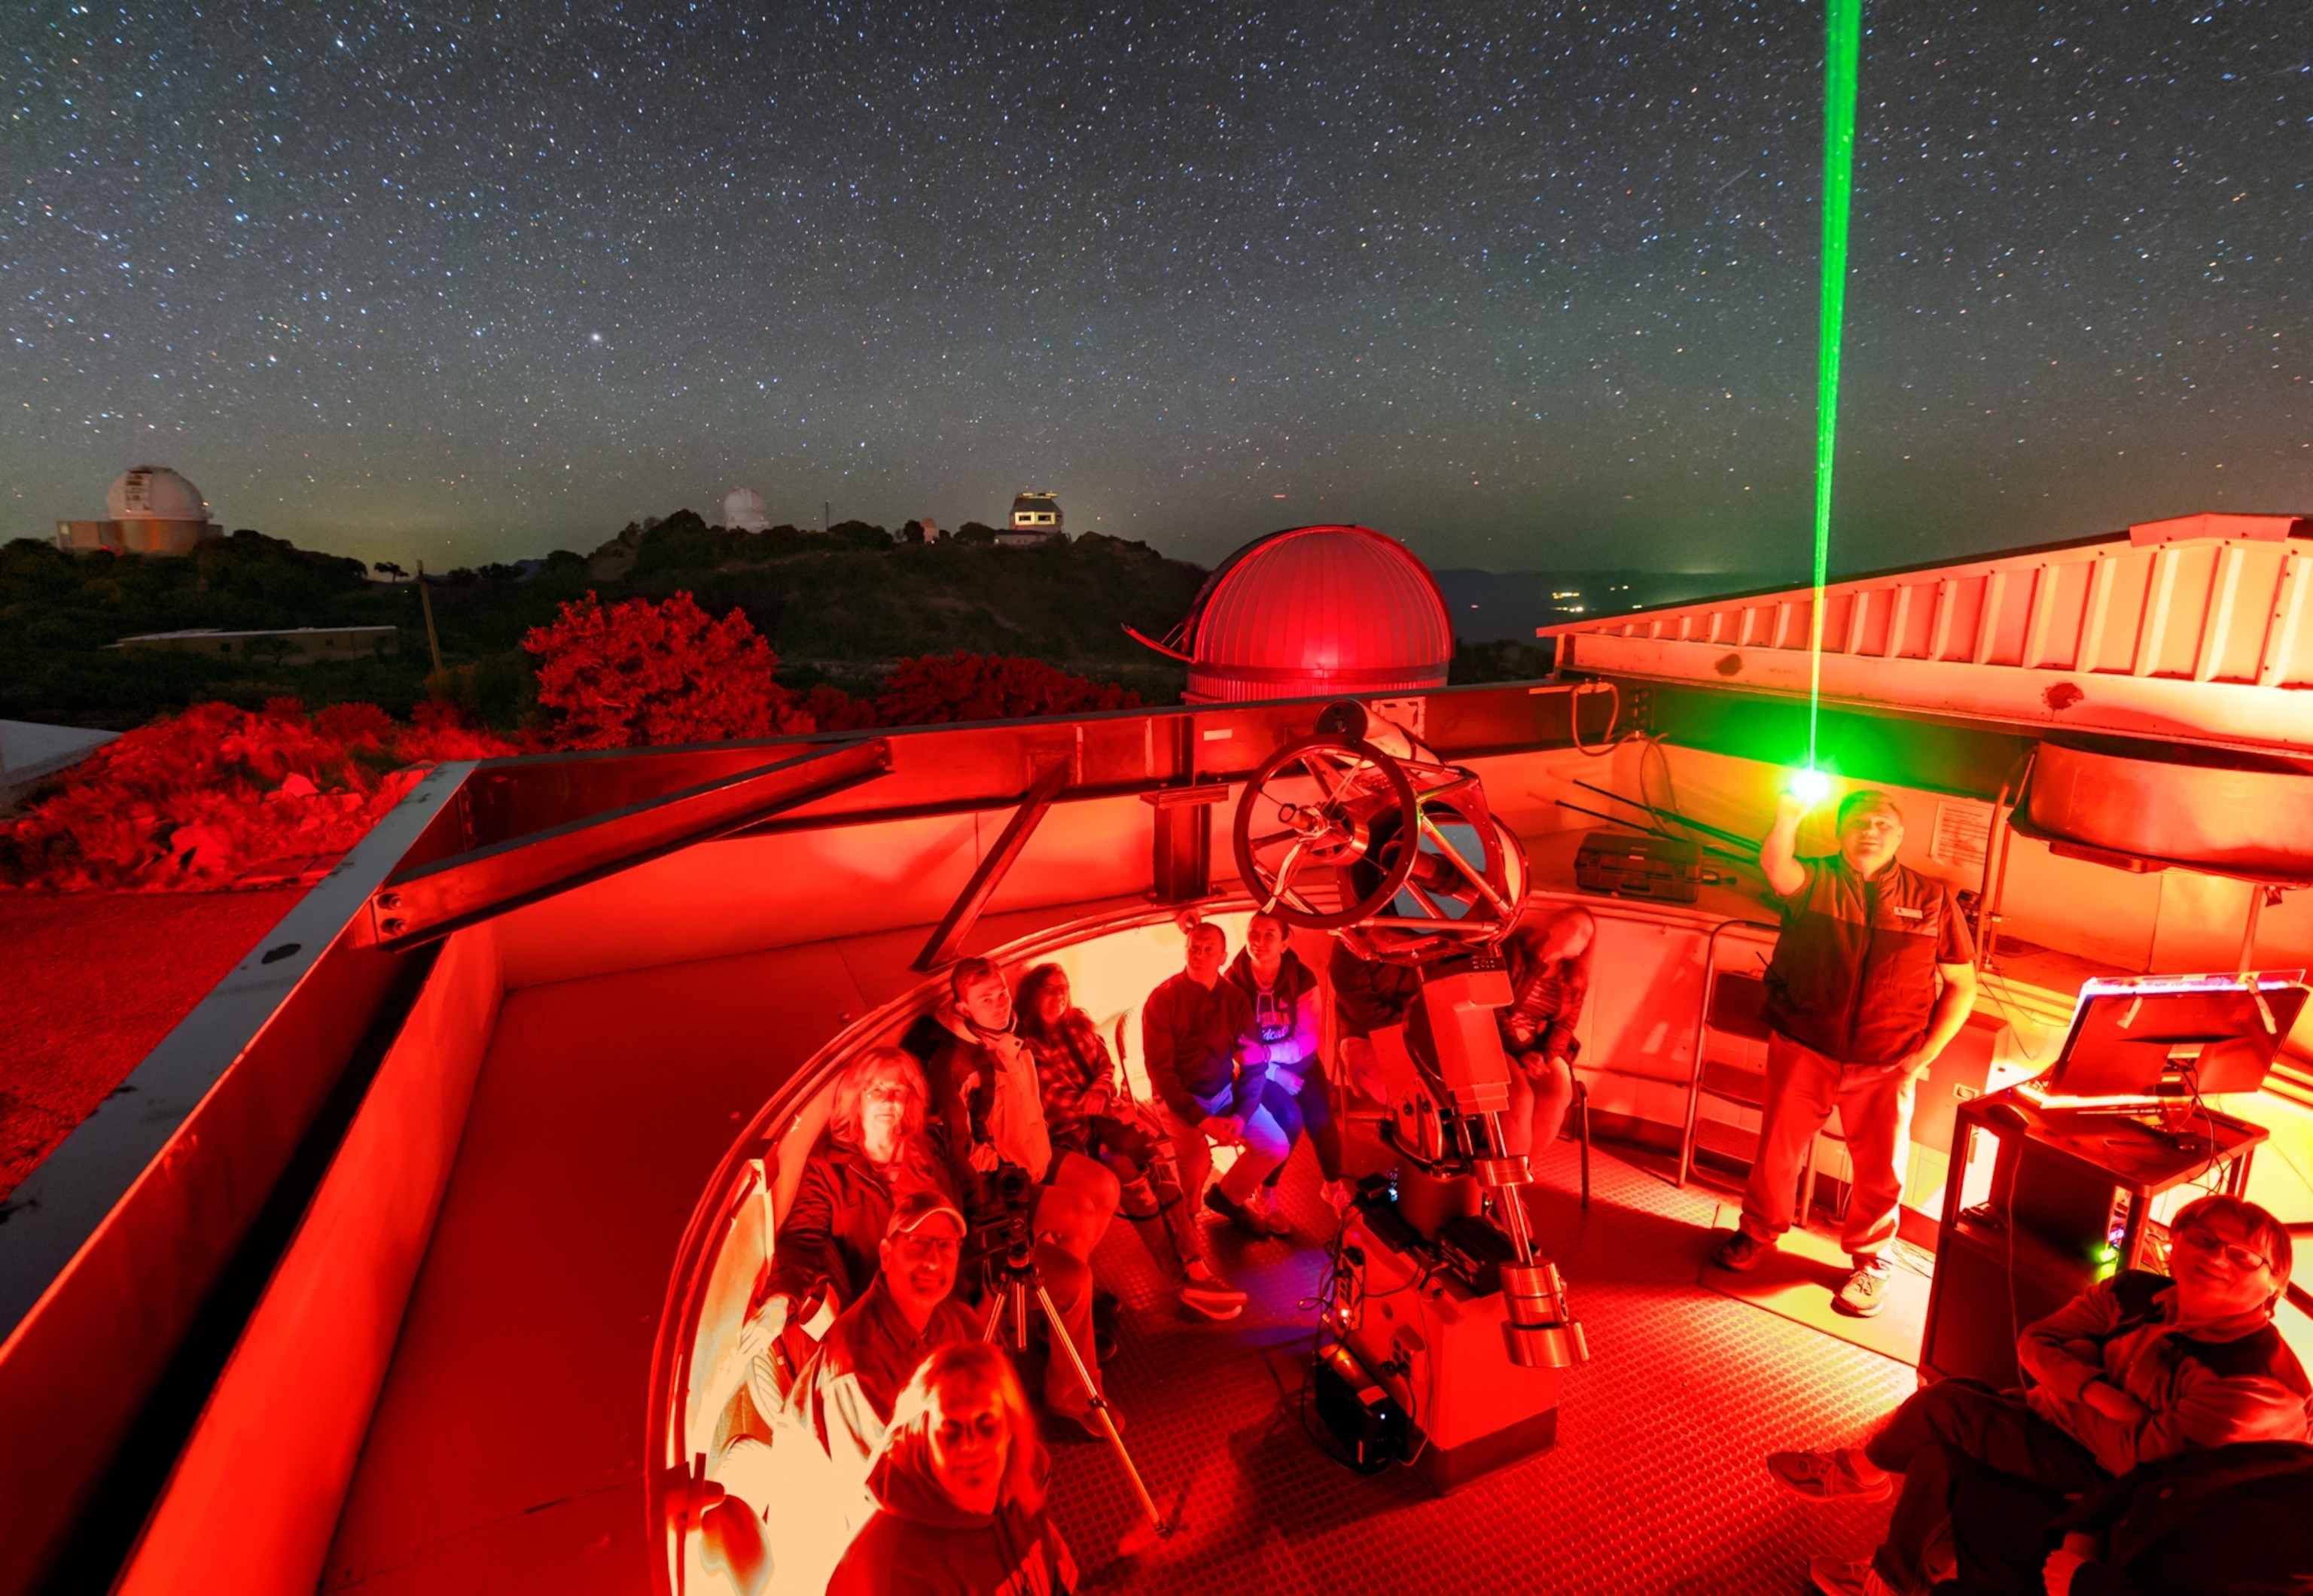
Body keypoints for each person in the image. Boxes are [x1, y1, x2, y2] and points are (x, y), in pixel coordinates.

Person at [1766, 1194, 2310, 1596]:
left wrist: (2062, 1390)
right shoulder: (2137, 1290)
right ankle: (1889, 1579)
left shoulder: (2256, 1383)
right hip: (2093, 1444)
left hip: (2136, 1501)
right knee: (1940, 1446)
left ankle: (1859, 1473)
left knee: (1946, 1404)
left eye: (2243, 1256)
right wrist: (2098, 1392)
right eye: (2206, 1240)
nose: (2217, 1258)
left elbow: (2139, 1459)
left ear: (2273, 1285)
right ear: (2178, 1241)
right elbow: (2037, 1342)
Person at [1711, 788, 1979, 1318]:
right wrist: (1788, 813)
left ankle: (1872, 1260)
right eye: (1858, 821)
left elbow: (1962, 986)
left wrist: (1924, 1056)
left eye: (1883, 822)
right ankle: (1757, 1234)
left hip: (1887, 1059)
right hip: (1803, 1048)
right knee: (1776, 1155)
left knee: (1881, 1170)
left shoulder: (1932, 899)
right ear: (1840, 832)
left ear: (1900, 836)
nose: (1871, 830)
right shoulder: (1815, 882)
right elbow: (1776, 864)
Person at [918, 958, 1120, 1437]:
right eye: (985, 999)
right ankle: (1068, 1382)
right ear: (963, 1006)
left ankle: (1053, 1314)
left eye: (1002, 993)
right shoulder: (961, 1063)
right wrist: (1010, 1171)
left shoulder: (1013, 1037)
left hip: (1037, 1156)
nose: (999, 1003)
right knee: (1077, 1219)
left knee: (1104, 1188)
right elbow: (966, 1151)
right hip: (1002, 1185)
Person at [1013, 963, 1248, 1320]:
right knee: (1138, 1187)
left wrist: (1100, 1089)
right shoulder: (1027, 1047)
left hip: (1105, 1127)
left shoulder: (1078, 1027)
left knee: (1161, 1171)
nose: (1060, 995)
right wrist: (1105, 1099)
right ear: (1032, 996)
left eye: (1063, 987)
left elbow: (1105, 1065)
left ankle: (1197, 1269)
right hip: (1069, 1141)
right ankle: (1183, 1281)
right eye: (1049, 988)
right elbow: (1062, 1100)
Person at [827, 1339, 1079, 1596]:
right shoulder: (899, 1571)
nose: (970, 1444)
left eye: (985, 1421)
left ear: (1010, 1429)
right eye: (951, 1427)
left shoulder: (1018, 1487)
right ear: (923, 1439)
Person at [787, 1189, 983, 1492]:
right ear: (886, 1255)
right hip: (843, 1509)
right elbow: (876, 1493)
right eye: (918, 1242)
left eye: (945, 1246)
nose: (933, 1260)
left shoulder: (943, 1320)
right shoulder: (856, 1365)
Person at [755, 1048, 959, 1336]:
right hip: (881, 1317)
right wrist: (782, 1297)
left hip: (945, 1299)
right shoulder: (828, 1169)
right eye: (876, 1091)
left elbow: (969, 1204)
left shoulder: (930, 1146)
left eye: (898, 1090)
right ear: (856, 1099)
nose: (888, 1101)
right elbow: (802, 1241)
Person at [1141, 918, 1288, 1239]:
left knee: (1275, 1145)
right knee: (1196, 1164)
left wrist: (1240, 1114)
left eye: (1209, 949)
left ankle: (1228, 1197)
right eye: (1194, 947)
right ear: (1185, 950)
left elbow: (1253, 1063)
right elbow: (1161, 1072)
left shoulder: (1235, 999)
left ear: (1223, 956)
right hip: (1180, 1100)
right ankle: (1187, 1220)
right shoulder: (1162, 1000)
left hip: (1223, 1092)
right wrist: (1202, 1121)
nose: (1200, 954)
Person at [1224, 910, 1328, 1229]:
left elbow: (1308, 1038)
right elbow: (1237, 1049)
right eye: (1254, 933)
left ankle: (1335, 1189)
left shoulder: (1301, 977)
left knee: (1323, 1115)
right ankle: (1266, 1193)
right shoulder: (1233, 981)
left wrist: (1272, 1056)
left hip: (1289, 1060)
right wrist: (1274, 1072)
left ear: (1285, 943)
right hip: (1254, 1073)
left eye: (1269, 934)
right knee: (1289, 1119)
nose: (1259, 941)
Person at [1495, 906, 1595, 1162]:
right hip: (1499, 1040)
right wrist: (1519, 1052)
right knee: (1522, 1097)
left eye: (1585, 935)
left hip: (1538, 1046)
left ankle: (1518, 1175)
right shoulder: (1512, 951)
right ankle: (1503, 1184)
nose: (1578, 935)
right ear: (1553, 923)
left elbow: (1564, 1027)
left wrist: (1542, 1054)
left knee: (1558, 1095)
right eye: (1574, 926)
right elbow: (1493, 1007)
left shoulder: (1575, 979)